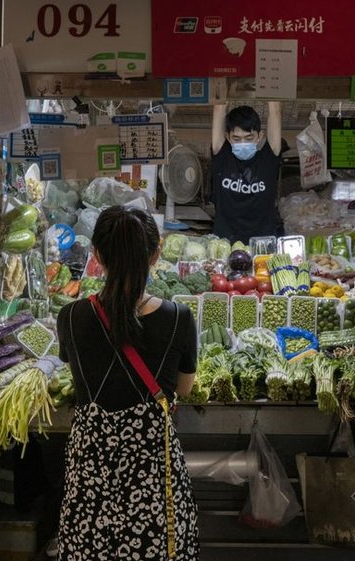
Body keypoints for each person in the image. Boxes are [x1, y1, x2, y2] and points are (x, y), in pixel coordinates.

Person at [55, 206, 199, 561]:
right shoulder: (178, 317)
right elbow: (184, 389)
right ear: (155, 254)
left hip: (90, 479)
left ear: (98, 255)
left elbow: (75, 370)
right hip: (152, 483)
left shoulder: (70, 316)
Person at [211, 101, 283, 243]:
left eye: (249, 138)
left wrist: (269, 82)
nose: (243, 143)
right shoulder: (222, 157)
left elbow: (275, 110)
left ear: (259, 136)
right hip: (225, 245)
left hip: (263, 246)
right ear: (227, 137)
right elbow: (219, 106)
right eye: (236, 139)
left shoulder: (269, 159)